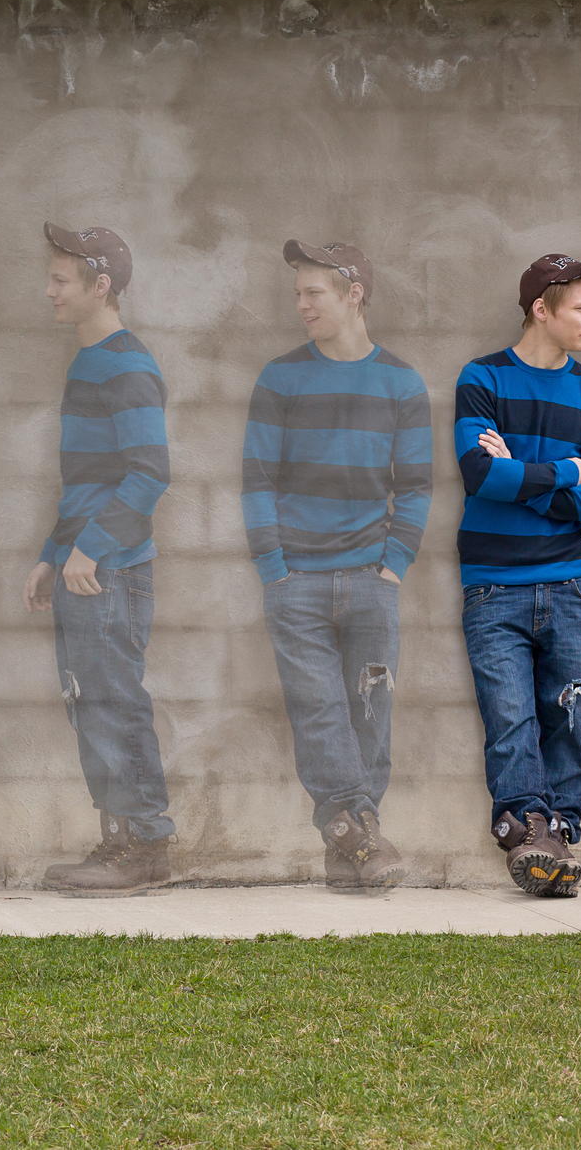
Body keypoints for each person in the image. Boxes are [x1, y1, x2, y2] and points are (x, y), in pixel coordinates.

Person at [241, 243, 430, 891]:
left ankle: (349, 843)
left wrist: (394, 565)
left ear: (354, 294)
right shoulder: (280, 378)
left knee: (372, 714)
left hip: (372, 582)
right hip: (296, 582)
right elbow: (257, 480)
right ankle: (362, 834)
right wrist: (274, 568)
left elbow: (417, 485)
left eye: (313, 292)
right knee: (320, 712)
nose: (301, 304)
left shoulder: (401, 382)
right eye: (297, 293)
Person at [455, 253, 581, 898]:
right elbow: (480, 476)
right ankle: (530, 833)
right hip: (493, 584)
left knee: (573, 716)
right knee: (511, 721)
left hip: (571, 584)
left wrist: (521, 473)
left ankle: (553, 840)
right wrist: (566, 471)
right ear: (541, 309)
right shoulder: (482, 377)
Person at [21, 224, 174, 895]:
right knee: (90, 705)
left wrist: (88, 548)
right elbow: (86, 481)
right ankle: (119, 838)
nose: (49, 291)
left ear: (100, 285)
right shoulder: (88, 360)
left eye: (61, 280)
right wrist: (53, 553)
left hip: (111, 570)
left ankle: (143, 844)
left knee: (114, 703)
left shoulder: (127, 364)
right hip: (84, 564)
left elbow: (149, 473)